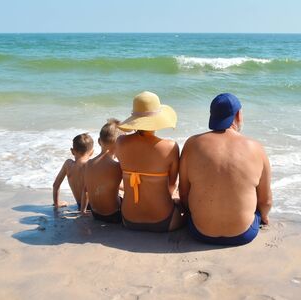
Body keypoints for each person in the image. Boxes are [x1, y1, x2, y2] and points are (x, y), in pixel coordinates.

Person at [179, 93, 272, 246]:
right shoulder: (255, 148)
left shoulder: (192, 144)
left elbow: (184, 193)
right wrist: (264, 217)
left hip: (199, 231)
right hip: (243, 234)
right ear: (238, 115)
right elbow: (266, 201)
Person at [116, 91, 185, 232]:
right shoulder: (170, 147)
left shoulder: (120, 142)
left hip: (128, 220)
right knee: (185, 210)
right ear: (158, 119)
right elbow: (172, 185)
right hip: (164, 220)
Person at [85, 119, 124, 223]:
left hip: (95, 214)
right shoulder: (117, 166)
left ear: (99, 141)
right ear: (119, 144)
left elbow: (89, 189)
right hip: (114, 215)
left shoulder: (88, 164)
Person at [53, 133, 94, 212]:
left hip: (79, 204)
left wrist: (56, 203)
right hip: (92, 206)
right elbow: (87, 190)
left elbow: (56, 185)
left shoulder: (68, 164)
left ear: (72, 151)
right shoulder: (90, 165)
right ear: (92, 152)